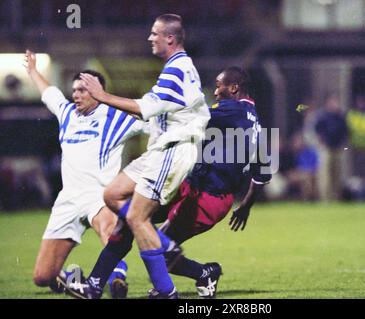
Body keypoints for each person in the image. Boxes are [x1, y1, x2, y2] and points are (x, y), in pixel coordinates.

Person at [66, 66, 270, 299]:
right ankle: (94, 285)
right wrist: (245, 206)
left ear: (233, 88)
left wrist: (110, 100)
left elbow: (179, 115)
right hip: (190, 186)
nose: (215, 92)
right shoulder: (258, 124)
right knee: (132, 220)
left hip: (208, 197)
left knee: (157, 247)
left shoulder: (229, 110)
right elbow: (262, 175)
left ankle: (204, 273)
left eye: (219, 85)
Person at [66, 14, 210, 299]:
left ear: (170, 38)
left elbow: (147, 108)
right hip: (161, 150)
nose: (150, 38)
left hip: (173, 150)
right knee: (113, 195)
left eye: (155, 33)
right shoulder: (177, 67)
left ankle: (165, 291)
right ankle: (152, 248)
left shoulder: (177, 69)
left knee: (135, 218)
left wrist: (102, 96)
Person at [24, 50, 146, 297]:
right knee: (42, 277)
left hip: (100, 195)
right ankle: (72, 278)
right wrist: (34, 71)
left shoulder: (117, 117)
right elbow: (50, 94)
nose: (76, 94)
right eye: (75, 89)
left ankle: (117, 275)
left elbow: (154, 118)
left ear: (99, 93)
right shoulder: (67, 113)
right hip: (68, 199)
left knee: (109, 229)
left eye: (84, 89)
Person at [314, 94, 348, 201]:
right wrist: (321, 142)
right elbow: (317, 130)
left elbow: (345, 132)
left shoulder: (341, 117)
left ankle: (336, 197)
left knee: (337, 174)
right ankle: (325, 198)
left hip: (337, 148)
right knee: (326, 174)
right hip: (326, 148)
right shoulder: (323, 116)